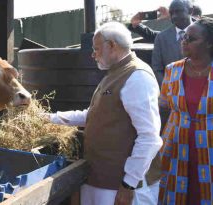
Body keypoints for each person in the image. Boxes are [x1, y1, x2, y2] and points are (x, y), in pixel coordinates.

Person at [45, 22, 163, 205]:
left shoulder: (137, 77)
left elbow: (149, 138)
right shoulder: (115, 74)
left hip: (123, 188)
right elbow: (92, 115)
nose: (93, 54)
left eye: (97, 48)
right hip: (103, 180)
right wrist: (49, 118)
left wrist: (128, 185)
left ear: (112, 45)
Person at [158, 17, 213, 205]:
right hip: (176, 146)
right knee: (176, 196)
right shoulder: (172, 70)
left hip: (209, 149)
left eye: (191, 39)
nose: (184, 41)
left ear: (209, 44)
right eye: (184, 38)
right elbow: (164, 102)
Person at [152, 0, 194, 85]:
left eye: (178, 11)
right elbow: (157, 69)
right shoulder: (161, 38)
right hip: (172, 92)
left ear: (190, 11)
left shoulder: (206, 33)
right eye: (171, 13)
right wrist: (167, 88)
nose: (174, 16)